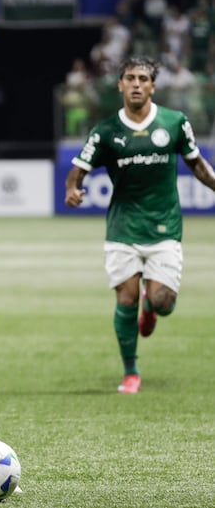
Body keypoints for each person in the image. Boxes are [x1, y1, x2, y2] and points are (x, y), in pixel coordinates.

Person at [65, 56, 215, 394]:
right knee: (126, 299)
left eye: (143, 79)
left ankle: (152, 304)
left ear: (152, 86)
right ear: (119, 85)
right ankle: (131, 371)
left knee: (164, 302)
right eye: (130, 78)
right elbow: (79, 167)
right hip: (123, 227)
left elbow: (198, 166)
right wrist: (72, 188)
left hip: (164, 226)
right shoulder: (106, 131)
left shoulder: (175, 122)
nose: (136, 84)